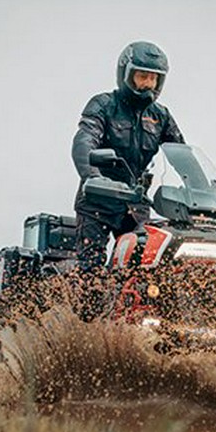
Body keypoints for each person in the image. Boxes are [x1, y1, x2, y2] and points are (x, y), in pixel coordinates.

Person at [71, 41, 185, 275]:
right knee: (90, 270)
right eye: (142, 77)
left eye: (154, 78)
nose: (148, 84)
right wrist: (93, 177)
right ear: (125, 74)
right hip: (98, 199)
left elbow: (181, 153)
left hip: (135, 203)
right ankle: (83, 311)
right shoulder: (103, 105)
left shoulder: (160, 116)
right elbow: (84, 140)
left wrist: (200, 191)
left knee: (144, 266)